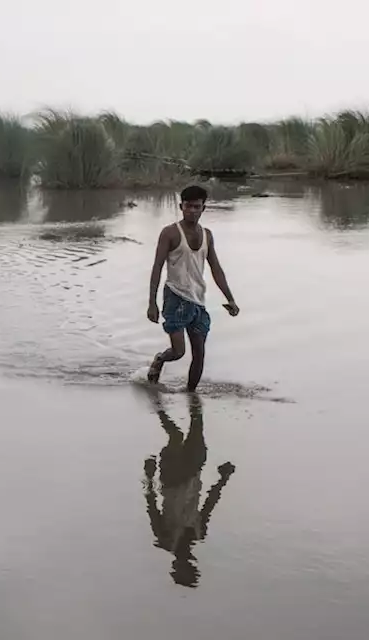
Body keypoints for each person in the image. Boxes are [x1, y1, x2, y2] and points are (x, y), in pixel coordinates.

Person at [146, 185, 239, 391]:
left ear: (203, 208)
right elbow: (157, 266)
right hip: (175, 297)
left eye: (197, 207)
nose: (192, 211)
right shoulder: (170, 233)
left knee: (199, 354)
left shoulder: (207, 235)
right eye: (188, 206)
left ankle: (191, 398)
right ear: (181, 206)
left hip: (198, 299)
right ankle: (160, 359)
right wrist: (152, 303)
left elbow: (216, 268)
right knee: (179, 352)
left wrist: (230, 298)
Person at [142, 391, 236, 587]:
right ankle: (185, 394)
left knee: (176, 435)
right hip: (193, 472)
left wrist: (149, 475)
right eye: (190, 568)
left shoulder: (164, 538)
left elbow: (151, 505)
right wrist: (223, 478)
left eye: (183, 568)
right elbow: (209, 502)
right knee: (197, 421)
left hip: (171, 477)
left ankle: (156, 401)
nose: (186, 563)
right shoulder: (198, 532)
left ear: (175, 565)